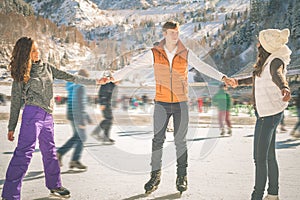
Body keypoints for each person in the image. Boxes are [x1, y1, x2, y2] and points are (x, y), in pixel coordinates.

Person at [112, 20, 234, 194]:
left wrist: (223, 77)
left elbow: (203, 66)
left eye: (177, 32)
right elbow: (132, 66)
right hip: (161, 103)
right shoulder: (154, 53)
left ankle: (182, 176)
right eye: (172, 33)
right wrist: (113, 76)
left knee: (180, 142)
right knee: (157, 141)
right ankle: (155, 176)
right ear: (164, 34)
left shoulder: (186, 53)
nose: (175, 36)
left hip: (181, 103)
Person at [1, 37, 105, 200]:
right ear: (25, 54)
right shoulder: (21, 74)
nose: (37, 53)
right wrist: (11, 127)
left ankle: (54, 185)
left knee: (50, 151)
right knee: (24, 153)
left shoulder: (47, 67)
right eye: (32, 51)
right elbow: (15, 102)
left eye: (37, 49)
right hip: (32, 115)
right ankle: (10, 195)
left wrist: (95, 81)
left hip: (47, 115)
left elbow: (71, 77)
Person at [233, 28, 291, 200]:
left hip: (268, 116)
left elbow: (277, 75)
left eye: (260, 42)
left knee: (259, 158)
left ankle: (256, 196)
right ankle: (273, 194)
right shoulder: (268, 60)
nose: (257, 44)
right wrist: (237, 82)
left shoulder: (275, 61)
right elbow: (257, 77)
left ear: (266, 46)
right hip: (269, 113)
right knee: (269, 156)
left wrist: (284, 87)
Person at [56, 69, 92, 171]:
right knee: (81, 137)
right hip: (76, 116)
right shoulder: (80, 87)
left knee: (77, 137)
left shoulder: (73, 86)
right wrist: (81, 120)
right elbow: (79, 104)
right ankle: (71, 158)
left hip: (71, 114)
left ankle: (65, 155)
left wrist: (87, 117)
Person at [91, 70, 116, 144]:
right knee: (109, 119)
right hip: (105, 104)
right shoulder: (107, 84)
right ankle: (98, 133)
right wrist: (103, 103)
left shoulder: (110, 84)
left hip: (107, 104)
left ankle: (105, 137)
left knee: (108, 119)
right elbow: (103, 94)